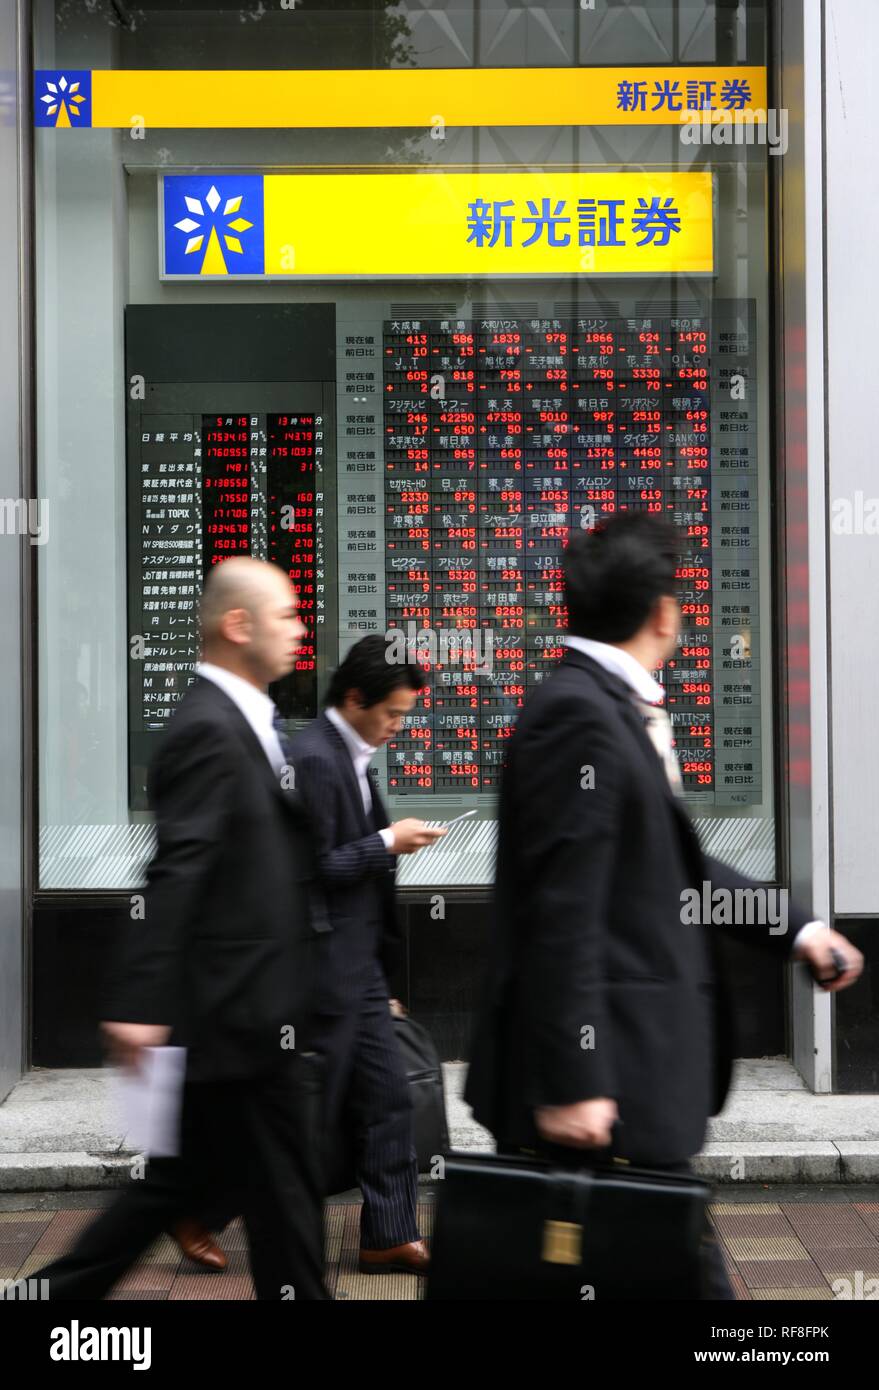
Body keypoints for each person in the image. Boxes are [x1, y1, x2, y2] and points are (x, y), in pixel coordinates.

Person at [465, 513, 864, 1299]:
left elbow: (670, 874)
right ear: (661, 610)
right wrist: (575, 1078)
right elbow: (560, 911)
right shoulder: (578, 716)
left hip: (624, 1079)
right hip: (601, 1082)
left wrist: (796, 931)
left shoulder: (597, 706)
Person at [37, 558, 329, 1300]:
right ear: (239, 625)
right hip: (236, 1020)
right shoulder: (207, 728)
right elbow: (179, 870)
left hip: (253, 1019)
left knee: (200, 1196)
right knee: (272, 1209)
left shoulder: (248, 721)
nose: (302, 628)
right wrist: (139, 1001)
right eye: (289, 614)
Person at [287, 634, 447, 1274]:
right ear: (355, 697)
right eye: (393, 714)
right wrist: (388, 840)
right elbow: (314, 868)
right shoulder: (317, 759)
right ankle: (198, 1203)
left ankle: (388, 1233)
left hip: (357, 974)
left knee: (387, 1101)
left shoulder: (350, 755)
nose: (397, 727)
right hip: (324, 974)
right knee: (305, 1117)